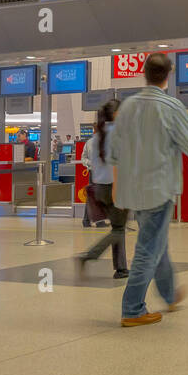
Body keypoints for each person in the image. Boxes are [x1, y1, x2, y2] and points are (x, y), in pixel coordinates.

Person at [108, 52, 188, 327]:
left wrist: (116, 186)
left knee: (156, 242)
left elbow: (115, 151)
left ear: (144, 73)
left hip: (133, 190)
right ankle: (132, 309)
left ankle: (169, 294)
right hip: (159, 189)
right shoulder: (171, 106)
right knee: (148, 248)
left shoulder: (128, 107)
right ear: (169, 75)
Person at [76, 99, 129, 279]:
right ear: (116, 114)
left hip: (99, 187)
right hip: (115, 186)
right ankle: (90, 255)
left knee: (117, 227)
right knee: (118, 229)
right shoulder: (119, 134)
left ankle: (121, 268)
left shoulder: (96, 137)